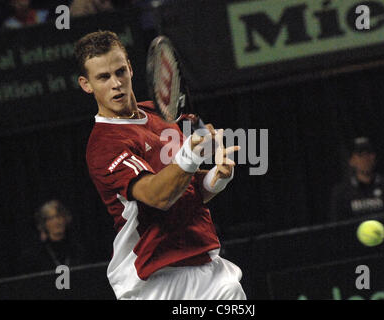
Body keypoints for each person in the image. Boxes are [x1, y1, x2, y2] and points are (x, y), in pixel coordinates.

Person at [75, 30, 246, 300]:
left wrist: (216, 178)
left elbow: (184, 188)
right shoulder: (104, 145)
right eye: (103, 77)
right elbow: (159, 196)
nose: (116, 83)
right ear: (86, 84)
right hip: (154, 281)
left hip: (209, 269)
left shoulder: (160, 113)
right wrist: (190, 155)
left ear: (130, 68)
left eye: (120, 71)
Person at [330, 137, 384, 222]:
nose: (366, 159)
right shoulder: (342, 192)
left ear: (374, 157)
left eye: (369, 154)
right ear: (352, 161)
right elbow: (338, 224)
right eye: (360, 155)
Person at [18, 200, 86, 274]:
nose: (56, 221)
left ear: (65, 219)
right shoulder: (36, 255)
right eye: (51, 218)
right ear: (44, 223)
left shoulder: (77, 249)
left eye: (59, 216)